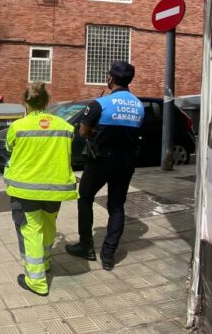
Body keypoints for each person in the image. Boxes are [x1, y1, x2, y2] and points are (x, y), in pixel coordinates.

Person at [65, 61, 143, 271]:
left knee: (86, 197)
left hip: (101, 159)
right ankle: (108, 255)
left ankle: (86, 245)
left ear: (111, 78)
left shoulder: (101, 103)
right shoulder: (138, 105)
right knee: (116, 206)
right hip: (126, 161)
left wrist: (95, 134)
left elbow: (83, 131)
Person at [4, 83, 77, 296]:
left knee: (30, 230)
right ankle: (45, 263)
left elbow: (9, 147)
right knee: (48, 224)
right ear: (47, 102)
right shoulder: (65, 126)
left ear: (25, 103)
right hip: (54, 189)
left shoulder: (18, 127)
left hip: (25, 190)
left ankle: (36, 281)